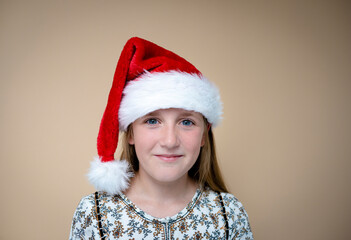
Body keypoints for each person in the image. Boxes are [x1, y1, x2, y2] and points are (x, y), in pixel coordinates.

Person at [69, 37, 253, 239]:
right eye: (152, 121)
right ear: (130, 133)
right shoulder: (94, 215)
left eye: (186, 122)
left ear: (203, 136)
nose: (169, 141)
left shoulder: (229, 213)